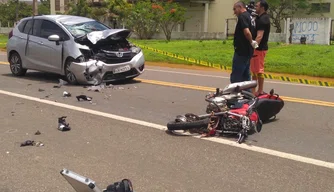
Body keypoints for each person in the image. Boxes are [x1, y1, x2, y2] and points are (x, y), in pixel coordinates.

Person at [230, 1, 258, 84]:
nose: (234, 12)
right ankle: (247, 94)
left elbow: (247, 32)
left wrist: (251, 41)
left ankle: (235, 94)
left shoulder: (242, 17)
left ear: (240, 7)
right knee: (246, 76)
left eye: (235, 9)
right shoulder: (250, 17)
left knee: (236, 76)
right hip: (248, 51)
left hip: (241, 51)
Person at [250, 0, 271, 96]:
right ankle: (256, 90)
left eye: (257, 6)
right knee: (255, 70)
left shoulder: (263, 20)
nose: (255, 7)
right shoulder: (262, 18)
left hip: (259, 49)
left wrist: (253, 47)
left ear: (262, 8)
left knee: (257, 70)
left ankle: (258, 91)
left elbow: (259, 36)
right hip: (261, 48)